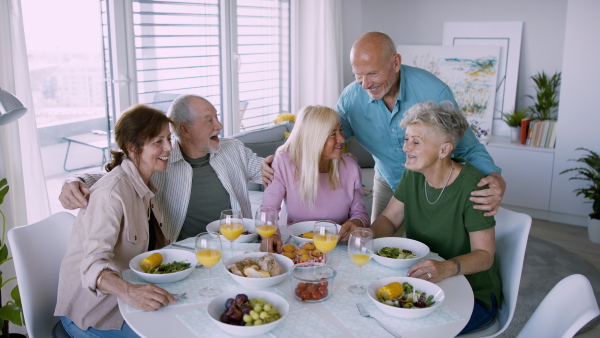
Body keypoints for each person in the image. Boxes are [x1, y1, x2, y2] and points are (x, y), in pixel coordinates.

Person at [262, 32, 507, 237]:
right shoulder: (351, 98)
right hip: (389, 181)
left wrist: (494, 177)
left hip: (435, 184)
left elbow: (467, 147)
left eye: (372, 74)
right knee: (377, 244)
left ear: (396, 62)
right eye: (357, 74)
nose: (365, 84)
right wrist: (281, 157)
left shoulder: (433, 91)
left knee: (433, 248)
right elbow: (322, 137)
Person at [346, 101, 502, 334]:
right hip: (423, 281)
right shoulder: (413, 174)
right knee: (369, 316)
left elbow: (485, 255)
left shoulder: (473, 187)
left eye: (416, 142)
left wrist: (446, 268)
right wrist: (366, 235)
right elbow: (389, 219)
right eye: (407, 138)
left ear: (444, 150)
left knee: (409, 332)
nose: (406, 147)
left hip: (471, 293)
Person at [59, 94, 264, 243]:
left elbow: (270, 171)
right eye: (209, 120)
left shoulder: (232, 149)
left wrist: (279, 162)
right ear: (184, 129)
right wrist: (75, 181)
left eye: (216, 117)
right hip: (188, 256)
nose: (219, 125)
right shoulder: (159, 161)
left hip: (241, 246)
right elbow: (113, 177)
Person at [55, 104, 176, 336]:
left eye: (169, 139)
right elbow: (92, 266)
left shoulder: (143, 183)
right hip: (94, 315)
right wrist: (131, 292)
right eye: (158, 141)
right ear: (132, 148)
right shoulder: (112, 194)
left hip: (125, 301)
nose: (169, 147)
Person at [260, 105, 370, 252]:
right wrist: (270, 234)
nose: (342, 138)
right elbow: (269, 209)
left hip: (338, 248)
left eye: (340, 130)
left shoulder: (350, 167)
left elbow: (360, 214)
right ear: (314, 137)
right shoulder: (284, 162)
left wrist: (356, 222)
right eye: (333, 133)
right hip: (297, 248)